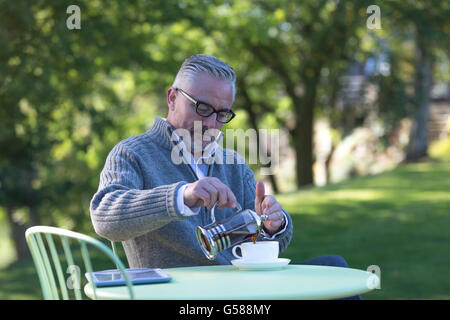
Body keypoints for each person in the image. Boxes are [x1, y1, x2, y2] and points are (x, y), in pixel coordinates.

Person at [89, 54, 360, 299]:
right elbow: (104, 218)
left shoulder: (232, 164)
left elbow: (264, 247)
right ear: (172, 98)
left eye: (221, 114)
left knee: (334, 266)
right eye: (202, 108)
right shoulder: (132, 154)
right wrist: (182, 196)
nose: (210, 124)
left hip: (240, 293)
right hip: (180, 297)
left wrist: (272, 225)